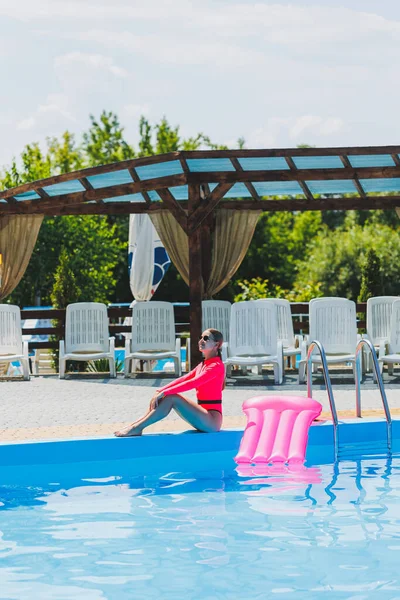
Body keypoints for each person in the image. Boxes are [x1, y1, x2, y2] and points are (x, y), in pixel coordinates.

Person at [114, 328, 225, 437]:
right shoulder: (204, 364)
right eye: (200, 337)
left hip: (212, 421)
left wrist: (165, 392)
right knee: (164, 396)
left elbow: (193, 383)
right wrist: (160, 391)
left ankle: (137, 428)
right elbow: (183, 379)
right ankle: (135, 426)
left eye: (206, 338)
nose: (201, 340)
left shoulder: (216, 366)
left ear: (216, 345)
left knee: (172, 397)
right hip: (204, 416)